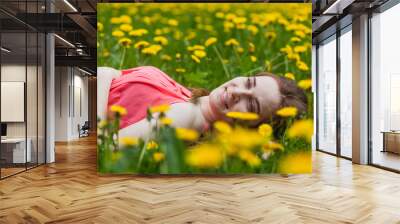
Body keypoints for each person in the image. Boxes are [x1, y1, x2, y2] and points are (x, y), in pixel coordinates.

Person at [97, 66, 307, 140]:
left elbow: (107, 147)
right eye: (249, 82)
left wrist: (104, 76)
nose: (238, 92)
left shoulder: (186, 116)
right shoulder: (186, 97)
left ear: (251, 129)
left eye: (251, 105)